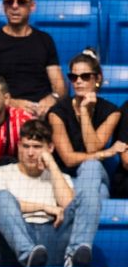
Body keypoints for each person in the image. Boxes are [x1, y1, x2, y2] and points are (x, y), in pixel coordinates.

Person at [0, 119, 96, 267]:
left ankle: (75, 255)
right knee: (1, 197)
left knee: (89, 193)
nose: (30, 153)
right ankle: (28, 255)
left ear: (50, 148)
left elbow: (68, 205)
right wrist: (44, 207)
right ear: (18, 146)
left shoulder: (61, 177)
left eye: (37, 147)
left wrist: (52, 165)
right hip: (16, 238)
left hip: (54, 235)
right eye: (25, 146)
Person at [0, 0, 59, 118]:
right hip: (6, 111)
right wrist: (11, 103)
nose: (14, 6)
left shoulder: (45, 40)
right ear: (4, 6)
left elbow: (59, 84)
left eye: (21, 2)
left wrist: (53, 98)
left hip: (42, 110)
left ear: (32, 6)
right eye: (9, 2)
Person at [50, 51, 125, 201]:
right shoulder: (57, 113)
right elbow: (68, 159)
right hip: (64, 179)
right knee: (100, 194)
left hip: (95, 174)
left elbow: (92, 147)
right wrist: (104, 154)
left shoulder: (112, 112)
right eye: (73, 77)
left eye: (85, 76)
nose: (78, 81)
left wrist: (84, 111)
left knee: (91, 166)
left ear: (97, 78)